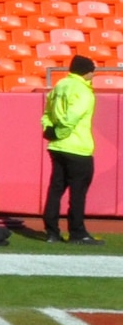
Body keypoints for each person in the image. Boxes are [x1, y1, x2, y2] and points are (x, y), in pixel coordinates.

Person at [42, 54, 100, 245]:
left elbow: (47, 112)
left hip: (57, 147)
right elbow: (72, 117)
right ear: (87, 72)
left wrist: (49, 130)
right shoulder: (83, 92)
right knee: (78, 192)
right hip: (77, 147)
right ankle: (77, 232)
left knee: (56, 188)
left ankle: (51, 231)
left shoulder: (60, 85)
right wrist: (61, 132)